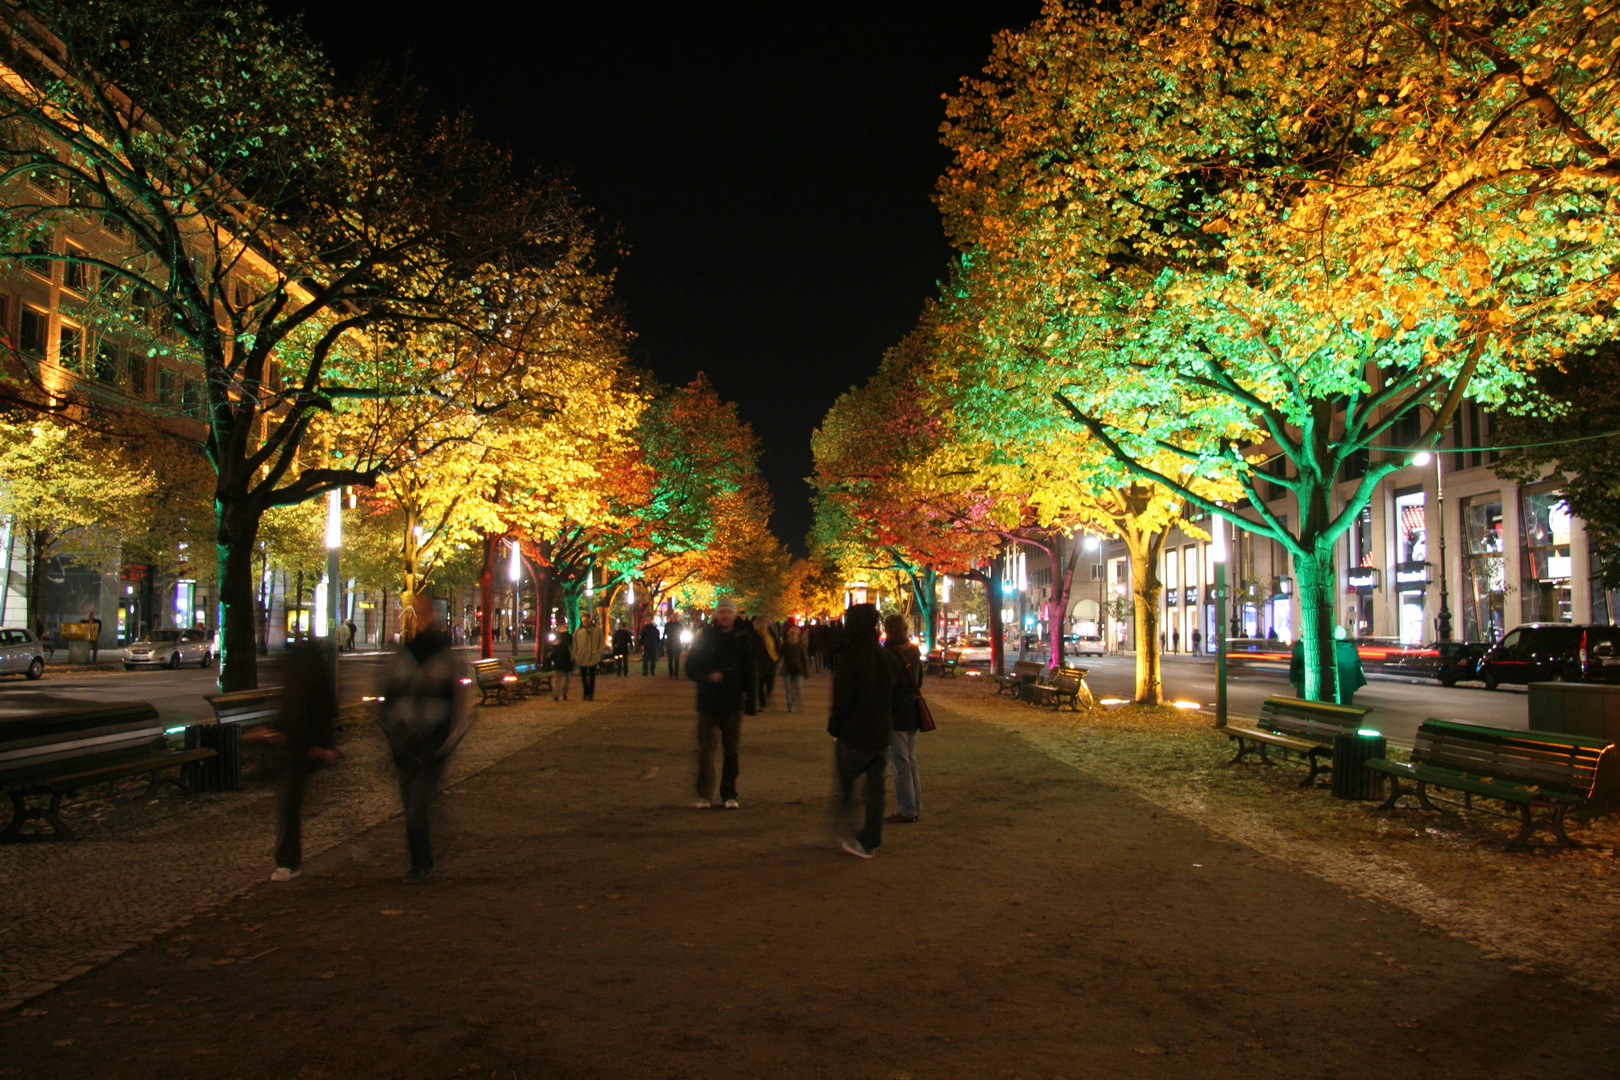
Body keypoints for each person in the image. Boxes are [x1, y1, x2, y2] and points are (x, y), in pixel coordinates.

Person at [378, 594, 468, 882]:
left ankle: (420, 864)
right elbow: (389, 693)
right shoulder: (405, 651)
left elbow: (456, 698)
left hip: (433, 739)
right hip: (405, 738)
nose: (422, 617)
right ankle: (421, 855)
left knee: (416, 804)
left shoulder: (443, 653)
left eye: (425, 612)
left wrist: (449, 735)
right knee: (411, 805)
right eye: (417, 612)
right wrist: (389, 727)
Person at [252, 642, 341, 882]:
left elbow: (302, 713)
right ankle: (287, 861)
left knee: (288, 803)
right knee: (288, 803)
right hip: (297, 747)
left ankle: (288, 861)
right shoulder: (313, 679)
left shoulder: (301, 677)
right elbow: (321, 713)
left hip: (298, 748)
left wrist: (319, 745)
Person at [829, 604, 904, 859]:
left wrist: (835, 726)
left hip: (855, 731)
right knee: (876, 790)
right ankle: (870, 839)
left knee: (847, 783)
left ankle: (845, 828)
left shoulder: (851, 655)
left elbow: (843, 697)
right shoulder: (884, 655)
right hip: (881, 731)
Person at [684, 595, 756, 809]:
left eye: (728, 612)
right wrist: (708, 677)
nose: (724, 616)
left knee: (731, 750)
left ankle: (729, 794)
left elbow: (751, 670)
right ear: (716, 615)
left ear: (734, 615)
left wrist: (751, 700)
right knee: (706, 749)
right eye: (721, 612)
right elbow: (690, 667)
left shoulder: (744, 637)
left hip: (733, 702)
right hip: (708, 701)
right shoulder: (705, 637)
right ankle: (704, 794)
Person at [882, 614, 923, 825]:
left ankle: (907, 809)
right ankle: (915, 805)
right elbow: (920, 680)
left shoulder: (889, 655)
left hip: (896, 713)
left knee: (900, 764)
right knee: (910, 759)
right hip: (912, 711)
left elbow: (887, 686)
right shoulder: (913, 651)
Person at [573, 613, 606, 702]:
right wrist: (576, 654)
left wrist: (598, 652)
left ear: (590, 620)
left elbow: (601, 641)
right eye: (584, 621)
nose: (585, 623)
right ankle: (586, 691)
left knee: (592, 676)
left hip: (593, 656)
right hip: (582, 656)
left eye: (587, 621)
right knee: (583, 676)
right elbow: (574, 644)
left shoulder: (597, 630)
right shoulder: (578, 631)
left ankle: (590, 693)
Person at [752, 615, 779, 709]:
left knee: (770, 683)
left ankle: (769, 697)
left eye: (765, 623)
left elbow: (776, 646)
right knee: (759, 686)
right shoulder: (754, 636)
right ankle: (762, 704)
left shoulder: (771, 635)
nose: (764, 626)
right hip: (759, 664)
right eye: (762, 624)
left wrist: (777, 657)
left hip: (770, 662)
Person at [780, 624, 808, 713]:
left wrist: (805, 669)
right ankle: (790, 705)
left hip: (798, 668)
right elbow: (779, 655)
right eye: (791, 634)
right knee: (788, 689)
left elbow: (804, 658)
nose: (793, 636)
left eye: (794, 634)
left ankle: (797, 703)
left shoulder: (800, 645)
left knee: (798, 688)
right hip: (788, 668)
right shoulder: (785, 645)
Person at [550, 623, 575, 701]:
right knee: (564, 678)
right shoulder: (569, 636)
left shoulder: (558, 636)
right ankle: (562, 694)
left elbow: (552, 646)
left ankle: (557, 694)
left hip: (559, 659)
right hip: (565, 659)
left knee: (559, 678)